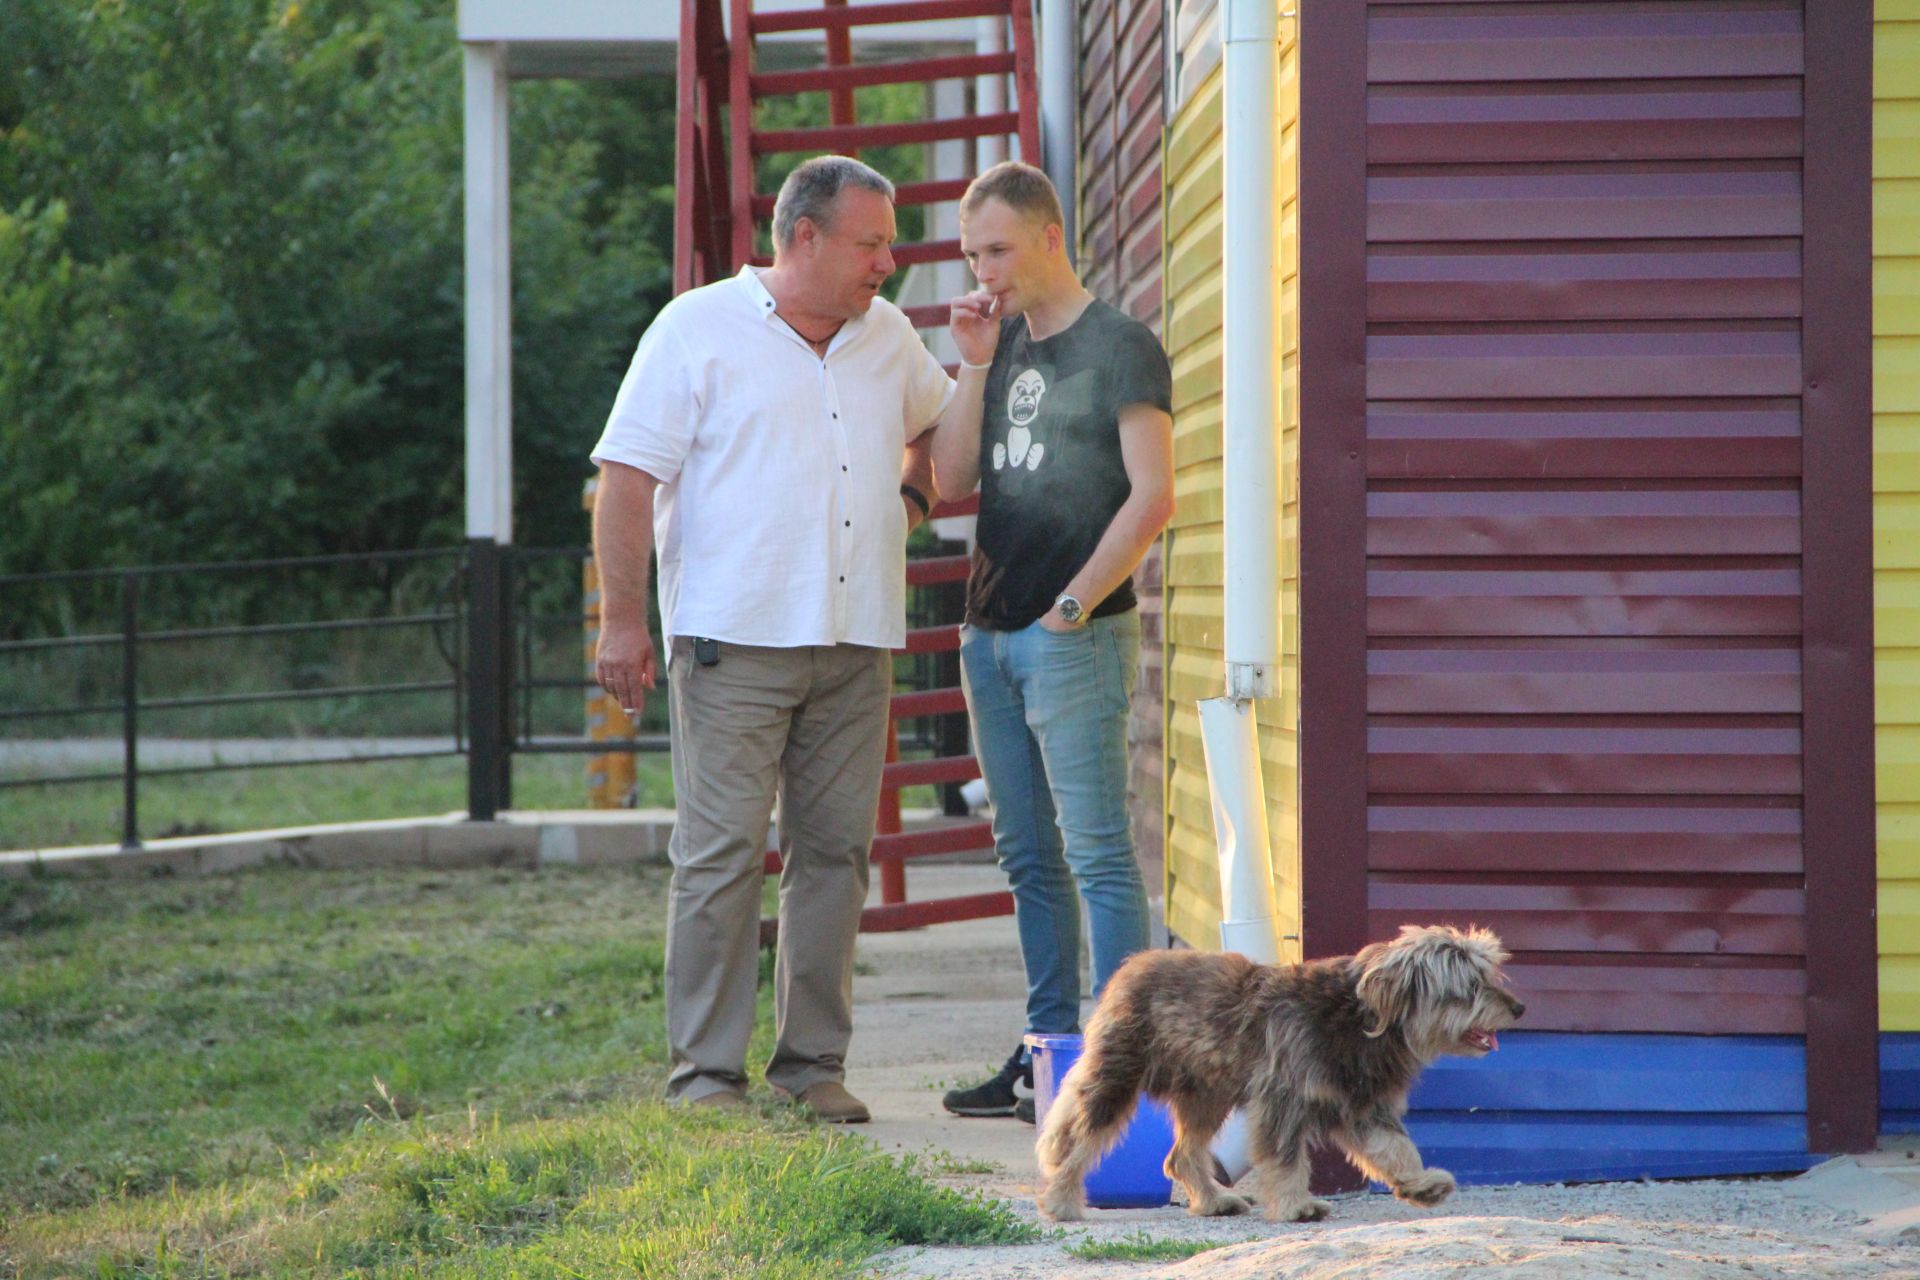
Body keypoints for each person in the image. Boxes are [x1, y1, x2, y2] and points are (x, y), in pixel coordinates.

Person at [590, 155, 952, 1123]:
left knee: (836, 853)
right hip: (730, 641)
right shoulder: (694, 328)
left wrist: (911, 496)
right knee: (720, 855)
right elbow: (626, 477)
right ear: (804, 236)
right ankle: (706, 1076)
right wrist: (624, 618)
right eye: (871, 242)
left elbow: (938, 430)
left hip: (855, 638)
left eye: (889, 241)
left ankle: (810, 1067)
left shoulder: (890, 338)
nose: (890, 260)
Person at [929, 162, 1176, 1122]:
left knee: (1100, 852)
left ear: (1049, 236)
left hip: (1070, 636)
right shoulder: (1002, 347)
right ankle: (1045, 1059)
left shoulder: (1120, 345)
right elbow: (950, 482)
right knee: (1028, 859)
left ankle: (1127, 1062)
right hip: (986, 635)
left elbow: (1153, 495)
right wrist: (976, 361)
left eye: (996, 249)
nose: (982, 270)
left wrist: (1070, 610)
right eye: (970, 253)